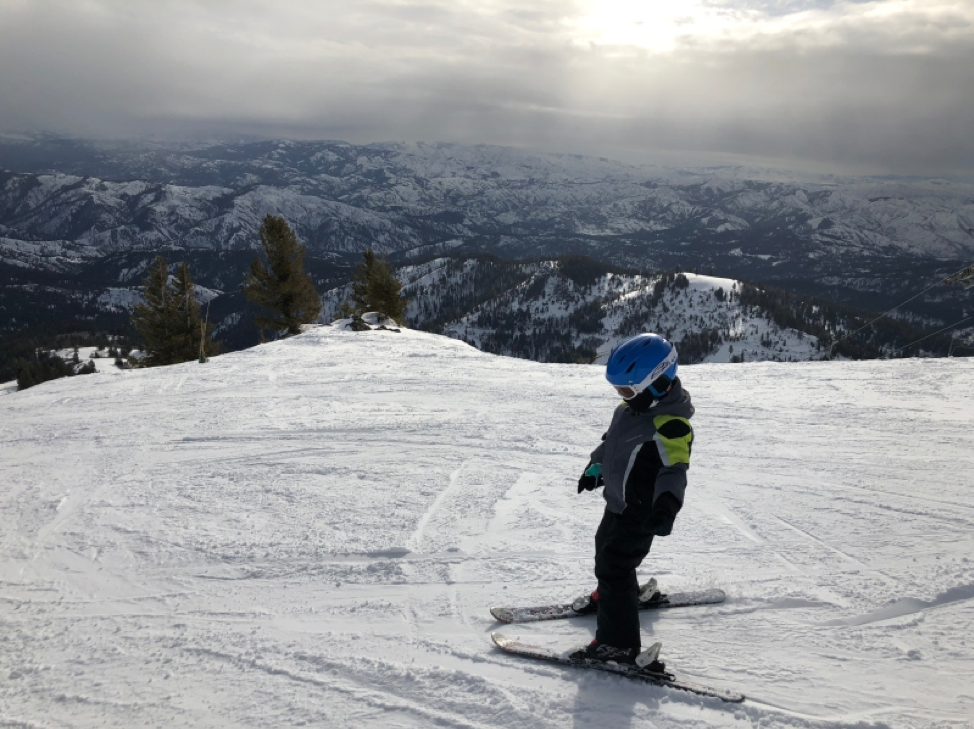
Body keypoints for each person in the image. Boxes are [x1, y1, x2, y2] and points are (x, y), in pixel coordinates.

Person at [570, 333, 694, 668]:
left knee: (615, 564)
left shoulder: (672, 427)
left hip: (642, 512)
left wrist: (667, 507)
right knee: (604, 550)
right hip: (618, 503)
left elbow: (675, 471)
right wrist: (595, 468)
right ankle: (616, 599)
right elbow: (610, 445)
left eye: (627, 390)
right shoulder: (628, 411)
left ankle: (618, 643)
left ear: (656, 384)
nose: (621, 397)